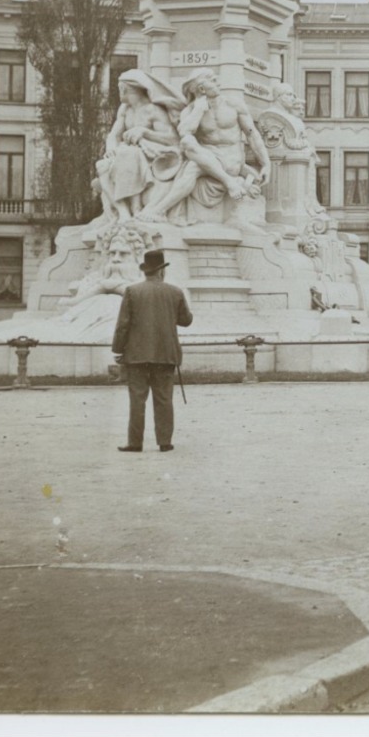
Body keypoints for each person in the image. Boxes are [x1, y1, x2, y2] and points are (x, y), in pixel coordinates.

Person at [138, 71, 271, 222]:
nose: (218, 83)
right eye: (213, 81)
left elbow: (252, 135)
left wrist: (266, 163)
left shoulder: (233, 105)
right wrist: (199, 110)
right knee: (188, 145)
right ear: (201, 89)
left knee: (193, 163)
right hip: (207, 158)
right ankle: (229, 183)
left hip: (231, 160)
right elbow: (184, 132)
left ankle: (159, 210)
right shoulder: (191, 110)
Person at [112, 248, 193, 453]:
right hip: (165, 354)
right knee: (164, 398)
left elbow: (123, 324)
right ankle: (164, 442)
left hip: (137, 354)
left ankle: (135, 443)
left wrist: (118, 349)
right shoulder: (175, 291)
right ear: (162, 271)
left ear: (145, 271)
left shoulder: (132, 291)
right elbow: (186, 320)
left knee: (137, 400)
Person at [96, 70, 183, 220]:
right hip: (130, 151)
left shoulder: (153, 110)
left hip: (155, 153)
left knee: (129, 154)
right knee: (102, 166)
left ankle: (136, 208)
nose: (118, 92)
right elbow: (114, 134)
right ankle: (122, 210)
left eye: (119, 88)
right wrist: (110, 148)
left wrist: (144, 132)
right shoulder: (125, 109)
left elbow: (172, 139)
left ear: (125, 89)